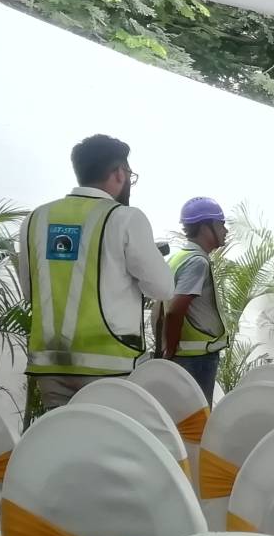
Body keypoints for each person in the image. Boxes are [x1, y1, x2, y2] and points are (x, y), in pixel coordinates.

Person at [17, 133, 175, 412]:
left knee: (63, 434)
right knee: (108, 436)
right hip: (111, 365)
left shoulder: (35, 219)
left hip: (49, 364)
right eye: (130, 174)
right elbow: (163, 288)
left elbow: (31, 292)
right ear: (119, 173)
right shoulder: (125, 217)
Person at [156, 197, 231, 403]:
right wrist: (171, 351)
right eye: (221, 224)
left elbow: (162, 307)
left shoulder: (178, 257)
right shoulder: (197, 262)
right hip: (196, 358)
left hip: (188, 356)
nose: (225, 230)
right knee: (198, 416)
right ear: (205, 228)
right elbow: (174, 310)